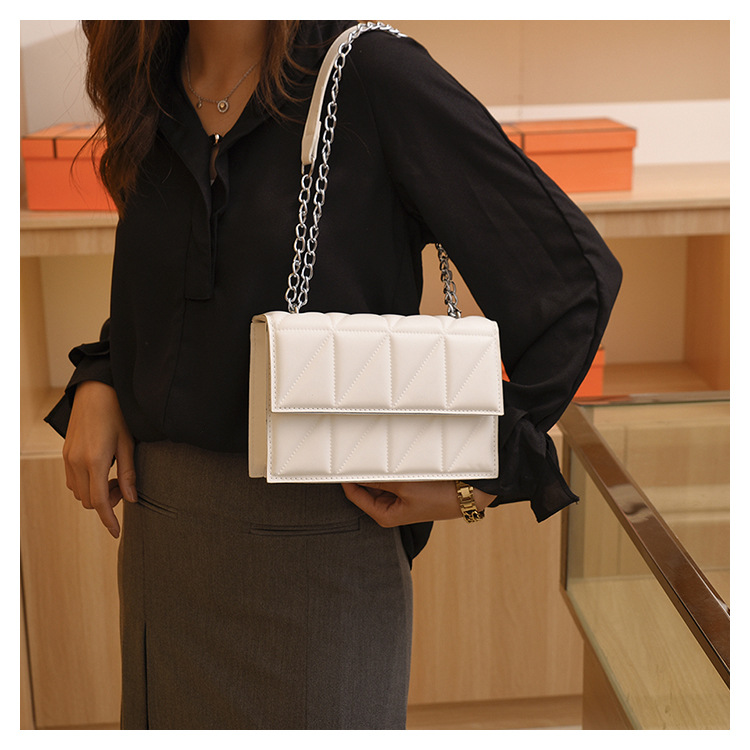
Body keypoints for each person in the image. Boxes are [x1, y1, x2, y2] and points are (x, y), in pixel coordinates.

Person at [46, 20, 621, 730]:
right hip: (159, 558)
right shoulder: (149, 81)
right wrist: (103, 375)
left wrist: (480, 477)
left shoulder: (372, 76)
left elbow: (572, 285)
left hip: (318, 569)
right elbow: (177, 289)